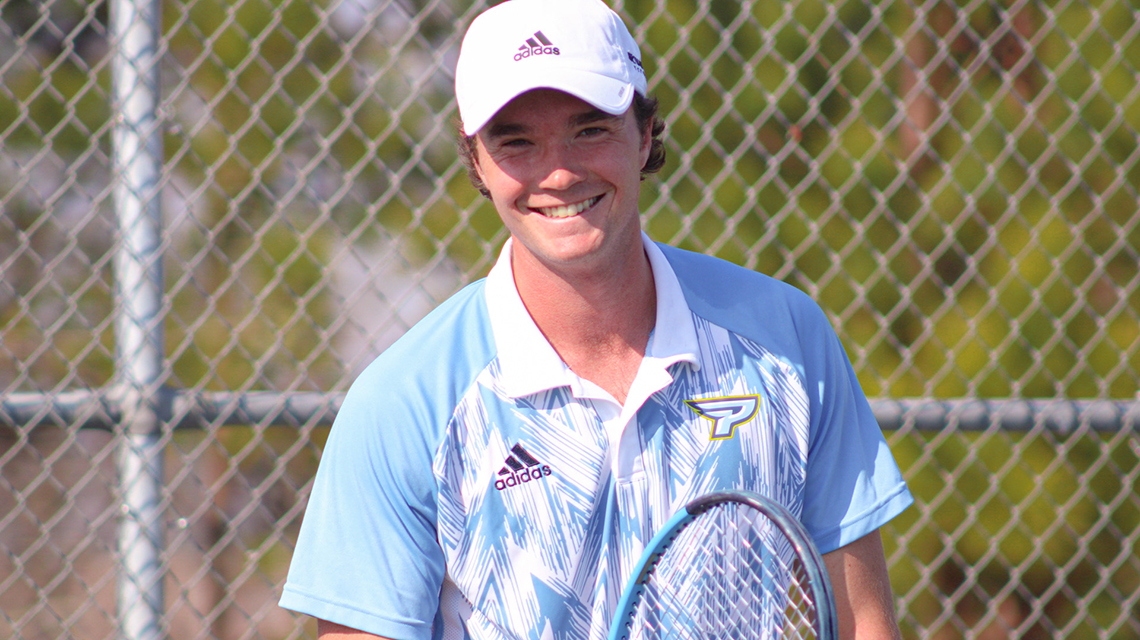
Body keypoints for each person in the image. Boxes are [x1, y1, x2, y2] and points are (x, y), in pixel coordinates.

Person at [279, 1, 914, 639]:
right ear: (477, 163)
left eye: (589, 130)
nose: (559, 172)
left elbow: (862, 620)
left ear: (644, 134)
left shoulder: (787, 340)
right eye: (516, 141)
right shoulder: (401, 402)